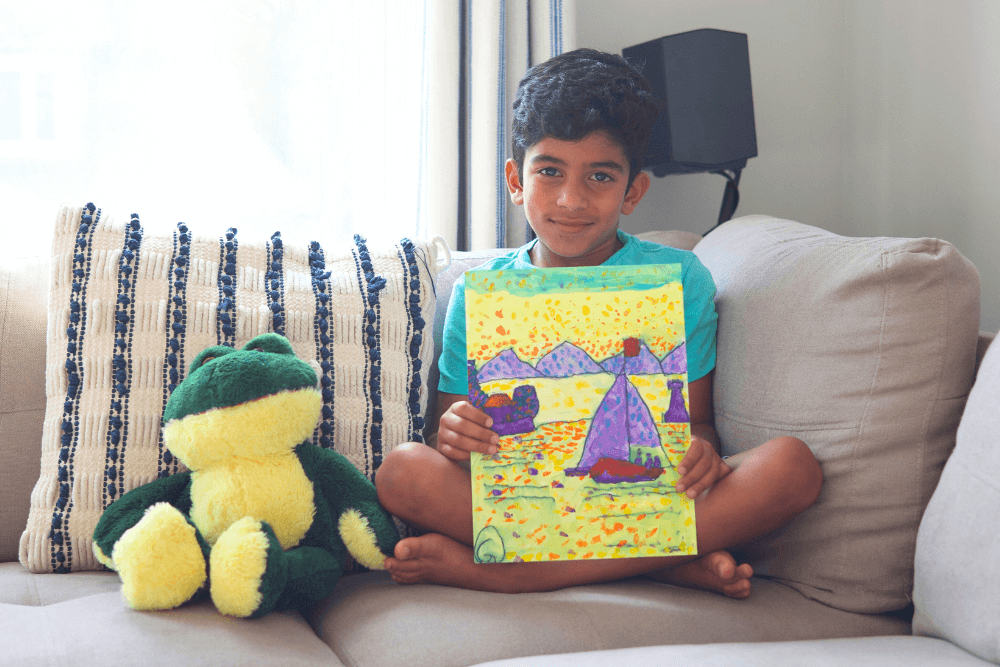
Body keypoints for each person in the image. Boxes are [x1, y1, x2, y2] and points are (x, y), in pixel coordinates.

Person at [375, 48, 822, 598]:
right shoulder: (478, 293)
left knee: (793, 467)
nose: (570, 198)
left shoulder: (680, 279)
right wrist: (456, 434)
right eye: (549, 172)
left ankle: (513, 573)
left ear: (632, 191)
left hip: (643, 499)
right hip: (525, 496)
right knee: (401, 471)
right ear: (516, 180)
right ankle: (660, 563)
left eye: (600, 176)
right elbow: (448, 439)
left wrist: (701, 450)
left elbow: (697, 422)